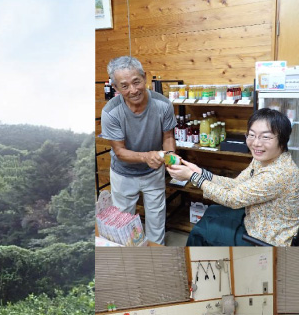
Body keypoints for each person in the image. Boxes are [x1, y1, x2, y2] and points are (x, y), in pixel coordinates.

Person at [167, 108, 299, 246]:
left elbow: (231, 198)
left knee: (202, 231)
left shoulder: (278, 174)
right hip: (254, 220)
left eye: (265, 137)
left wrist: (192, 176)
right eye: (251, 135)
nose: (256, 143)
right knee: (212, 211)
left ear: (283, 140)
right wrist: (200, 173)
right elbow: (236, 184)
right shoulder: (264, 159)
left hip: (265, 239)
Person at [100, 55, 176, 245]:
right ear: (116, 88)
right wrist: (146, 156)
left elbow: (168, 137)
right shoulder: (110, 112)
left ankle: (156, 258)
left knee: (157, 221)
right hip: (123, 174)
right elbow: (120, 152)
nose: (133, 90)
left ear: (144, 77)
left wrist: (172, 159)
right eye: (124, 86)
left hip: (153, 171)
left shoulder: (163, 104)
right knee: (123, 223)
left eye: (137, 82)